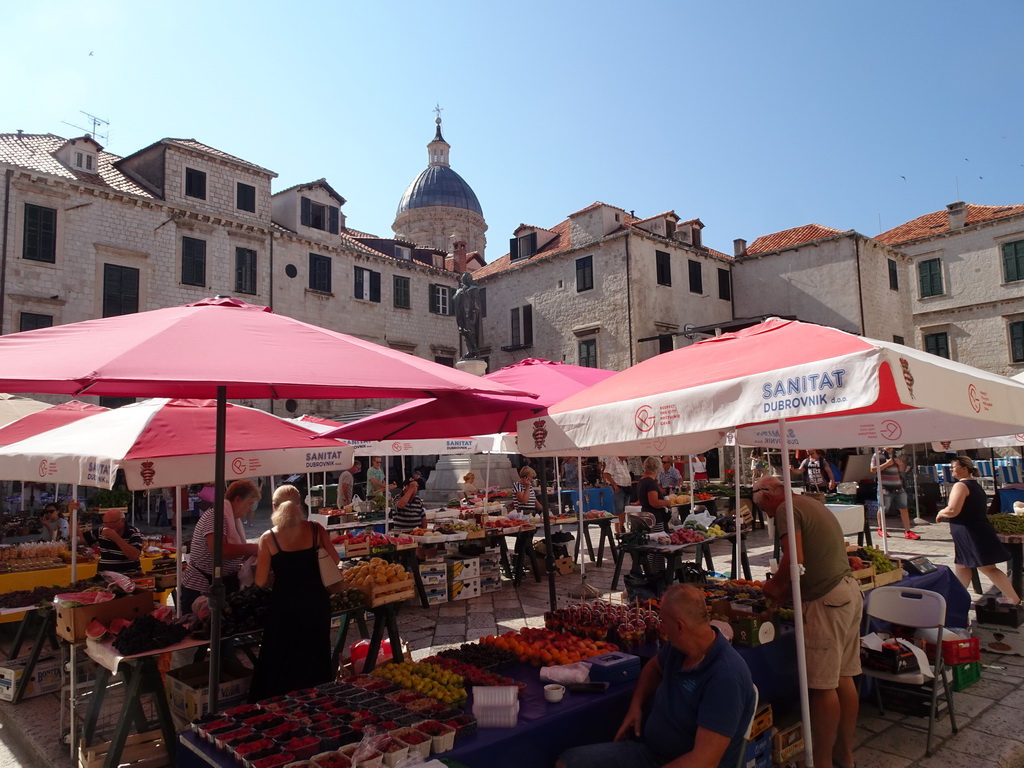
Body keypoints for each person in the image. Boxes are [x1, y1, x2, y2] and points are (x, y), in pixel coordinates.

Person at [556, 584, 755, 768]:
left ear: (679, 626)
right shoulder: (680, 648)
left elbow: (704, 760)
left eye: (663, 621)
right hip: (649, 753)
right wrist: (636, 705)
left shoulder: (725, 677)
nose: (661, 627)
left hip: (686, 763)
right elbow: (653, 668)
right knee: (568, 762)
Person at [755, 476, 861, 768]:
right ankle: (844, 754)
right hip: (847, 591)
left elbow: (795, 560)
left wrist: (774, 588)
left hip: (827, 599)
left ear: (767, 497)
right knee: (843, 677)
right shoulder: (807, 503)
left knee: (822, 685)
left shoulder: (785, 510)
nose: (767, 516)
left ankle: (823, 761)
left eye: (763, 511)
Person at [248, 499, 336, 701]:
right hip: (316, 602)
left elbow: (260, 581)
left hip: (285, 606)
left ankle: (284, 703)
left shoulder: (268, 538)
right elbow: (336, 559)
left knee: (283, 656)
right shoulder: (315, 529)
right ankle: (317, 700)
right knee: (316, 653)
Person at [937, 455, 1020, 604]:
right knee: (962, 568)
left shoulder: (961, 485)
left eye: (953, 467)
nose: (950, 470)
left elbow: (953, 510)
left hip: (971, 532)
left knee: (988, 568)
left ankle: (1013, 599)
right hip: (970, 531)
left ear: (964, 469)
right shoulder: (974, 484)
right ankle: (955, 602)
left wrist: (940, 513)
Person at [179, 480, 260, 614]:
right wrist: (252, 548)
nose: (250, 508)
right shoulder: (216, 516)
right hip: (200, 589)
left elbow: (235, 551)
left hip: (222, 584)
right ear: (237, 499)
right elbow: (219, 551)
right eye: (249, 503)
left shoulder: (231, 518)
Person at [871, 447, 920, 540]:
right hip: (884, 486)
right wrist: (886, 464)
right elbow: (872, 469)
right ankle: (881, 529)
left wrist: (900, 463)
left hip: (898, 485)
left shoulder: (897, 454)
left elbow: (901, 470)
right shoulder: (877, 455)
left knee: (904, 508)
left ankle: (908, 531)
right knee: (883, 508)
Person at [78, 508, 143, 573]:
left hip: (128, 575)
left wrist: (116, 538)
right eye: (105, 523)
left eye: (112, 522)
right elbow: (78, 539)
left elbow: (135, 556)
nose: (108, 526)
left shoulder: (133, 532)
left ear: (123, 520)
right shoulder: (101, 531)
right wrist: (72, 514)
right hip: (104, 576)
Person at [638, 456, 674, 532]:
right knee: (658, 539)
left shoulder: (642, 481)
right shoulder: (650, 482)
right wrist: (668, 502)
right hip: (654, 518)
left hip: (646, 516)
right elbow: (654, 502)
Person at [452, 271, 482, 358]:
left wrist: (473, 315)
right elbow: (454, 299)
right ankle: (470, 351)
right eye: (463, 279)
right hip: (462, 313)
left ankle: (475, 350)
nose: (463, 281)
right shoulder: (461, 290)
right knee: (465, 332)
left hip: (470, 314)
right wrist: (459, 293)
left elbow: (476, 303)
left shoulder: (473, 289)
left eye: (464, 279)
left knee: (471, 332)